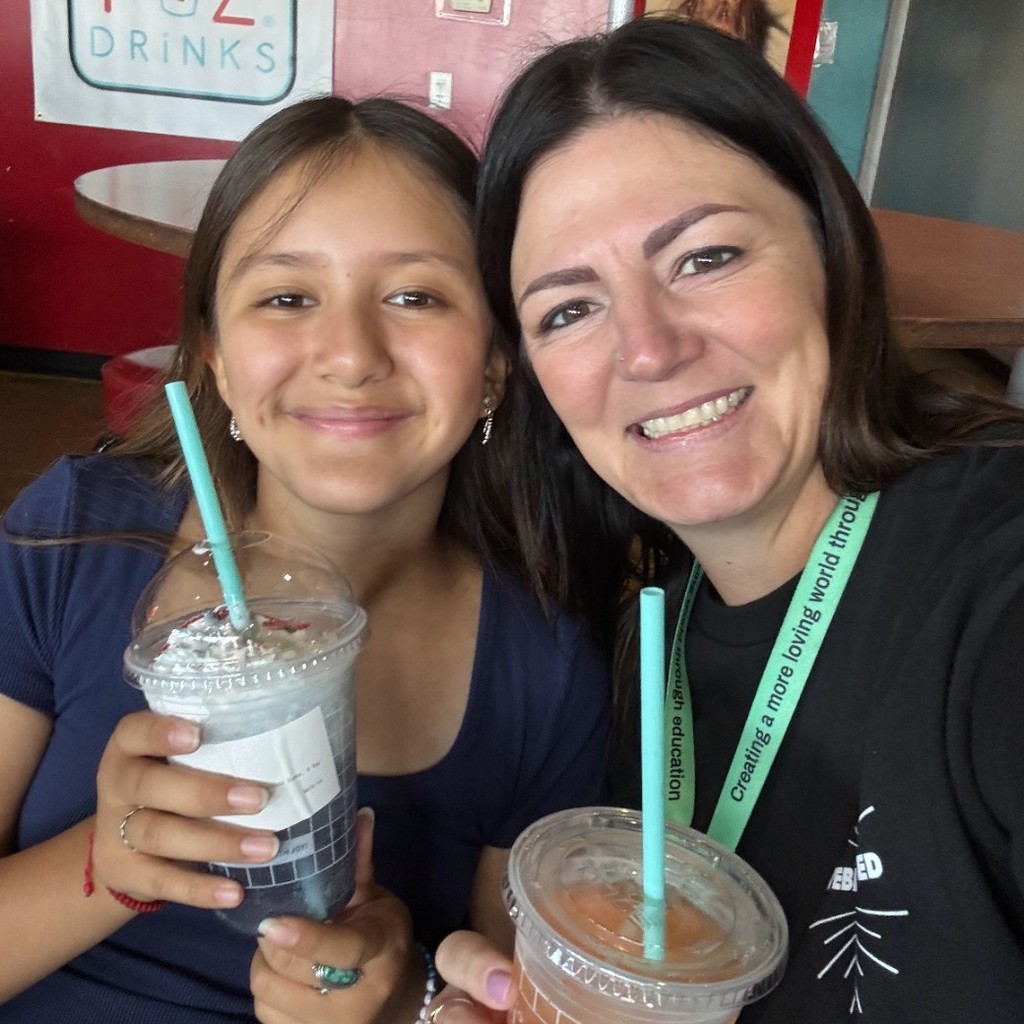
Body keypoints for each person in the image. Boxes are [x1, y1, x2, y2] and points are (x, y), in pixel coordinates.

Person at [430, 15, 1024, 1024]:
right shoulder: (634, 645)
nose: (649, 349)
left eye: (703, 258)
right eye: (569, 309)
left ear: (828, 249)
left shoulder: (993, 592)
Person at [0, 95, 610, 1023]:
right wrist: (105, 868)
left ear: (494, 362)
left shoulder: (542, 667)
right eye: (287, 297)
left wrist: (405, 994)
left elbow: (509, 1003)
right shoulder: (72, 542)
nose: (351, 355)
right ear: (213, 357)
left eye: (415, 296)